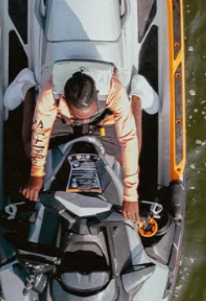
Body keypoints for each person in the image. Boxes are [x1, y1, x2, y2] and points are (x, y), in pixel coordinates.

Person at [22, 70, 142, 223]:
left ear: (97, 95)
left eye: (87, 116)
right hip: (63, 120)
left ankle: (137, 95)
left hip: (103, 121)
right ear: (64, 97)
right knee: (29, 150)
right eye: (82, 117)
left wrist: (130, 196)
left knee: (133, 153)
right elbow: (41, 132)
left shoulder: (114, 90)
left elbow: (128, 139)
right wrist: (37, 175)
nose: (85, 121)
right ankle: (27, 86)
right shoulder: (49, 94)